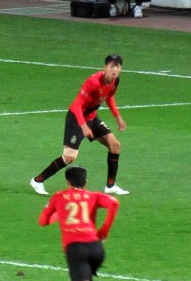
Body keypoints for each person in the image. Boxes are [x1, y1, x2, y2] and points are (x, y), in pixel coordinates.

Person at [38, 166, 120, 281]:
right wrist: (104, 231)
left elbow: (43, 221)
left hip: (76, 249)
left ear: (67, 182)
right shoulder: (93, 196)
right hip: (96, 248)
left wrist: (56, 214)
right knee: (88, 280)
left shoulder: (59, 197)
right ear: (85, 182)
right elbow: (114, 203)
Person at [30, 54, 129, 196]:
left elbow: (109, 97)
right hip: (77, 118)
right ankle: (38, 180)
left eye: (117, 67)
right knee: (69, 157)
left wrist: (117, 117)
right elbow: (77, 105)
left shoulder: (115, 81)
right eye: (111, 66)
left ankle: (110, 186)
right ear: (105, 67)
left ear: (121, 69)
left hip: (92, 118)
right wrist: (83, 126)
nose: (114, 70)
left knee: (115, 145)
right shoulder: (93, 82)